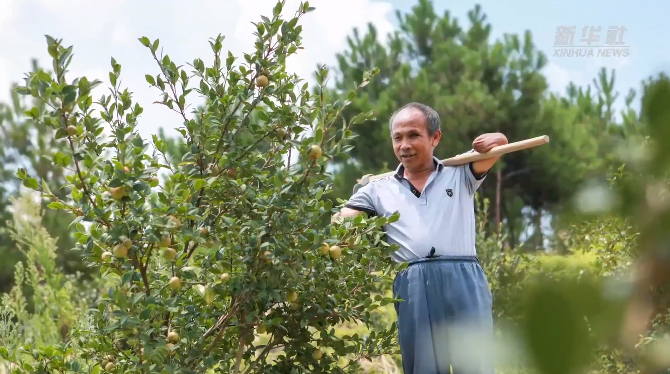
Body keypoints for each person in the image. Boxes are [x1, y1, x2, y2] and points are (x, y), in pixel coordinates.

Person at [332, 102, 508, 374]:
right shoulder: (377, 189)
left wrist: (496, 139)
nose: (405, 145)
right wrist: (352, 204)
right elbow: (341, 221)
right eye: (398, 137)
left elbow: (500, 146)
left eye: (414, 135)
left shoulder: (460, 173)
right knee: (422, 368)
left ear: (435, 137)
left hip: (463, 278)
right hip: (413, 283)